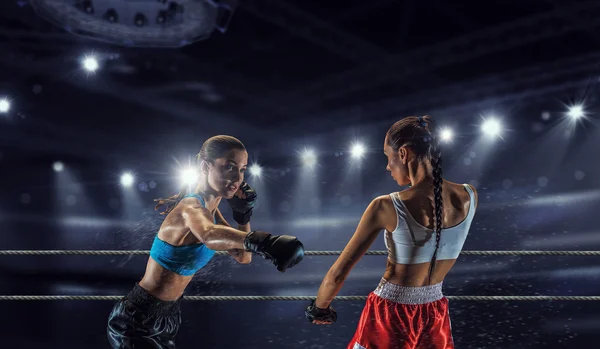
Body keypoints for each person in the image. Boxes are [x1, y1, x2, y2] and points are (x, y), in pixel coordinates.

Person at [107, 135, 305, 349]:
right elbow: (209, 235)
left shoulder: (212, 211)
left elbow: (243, 256)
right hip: (137, 320)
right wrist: (266, 241)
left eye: (242, 169)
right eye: (229, 167)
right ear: (205, 166)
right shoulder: (190, 207)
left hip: (168, 317)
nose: (237, 177)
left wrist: (243, 217)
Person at [305, 116, 478, 349]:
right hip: (435, 313)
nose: (388, 166)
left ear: (404, 154)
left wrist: (319, 308)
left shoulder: (385, 205)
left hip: (390, 314)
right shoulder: (469, 195)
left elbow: (339, 272)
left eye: (388, 157)